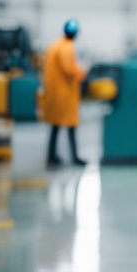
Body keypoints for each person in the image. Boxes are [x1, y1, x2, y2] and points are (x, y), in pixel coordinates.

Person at [40, 19, 87, 167]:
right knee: (71, 125)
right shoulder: (67, 47)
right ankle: (74, 157)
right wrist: (82, 74)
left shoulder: (53, 46)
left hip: (54, 93)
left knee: (55, 126)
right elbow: (68, 69)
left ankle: (51, 156)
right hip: (65, 94)